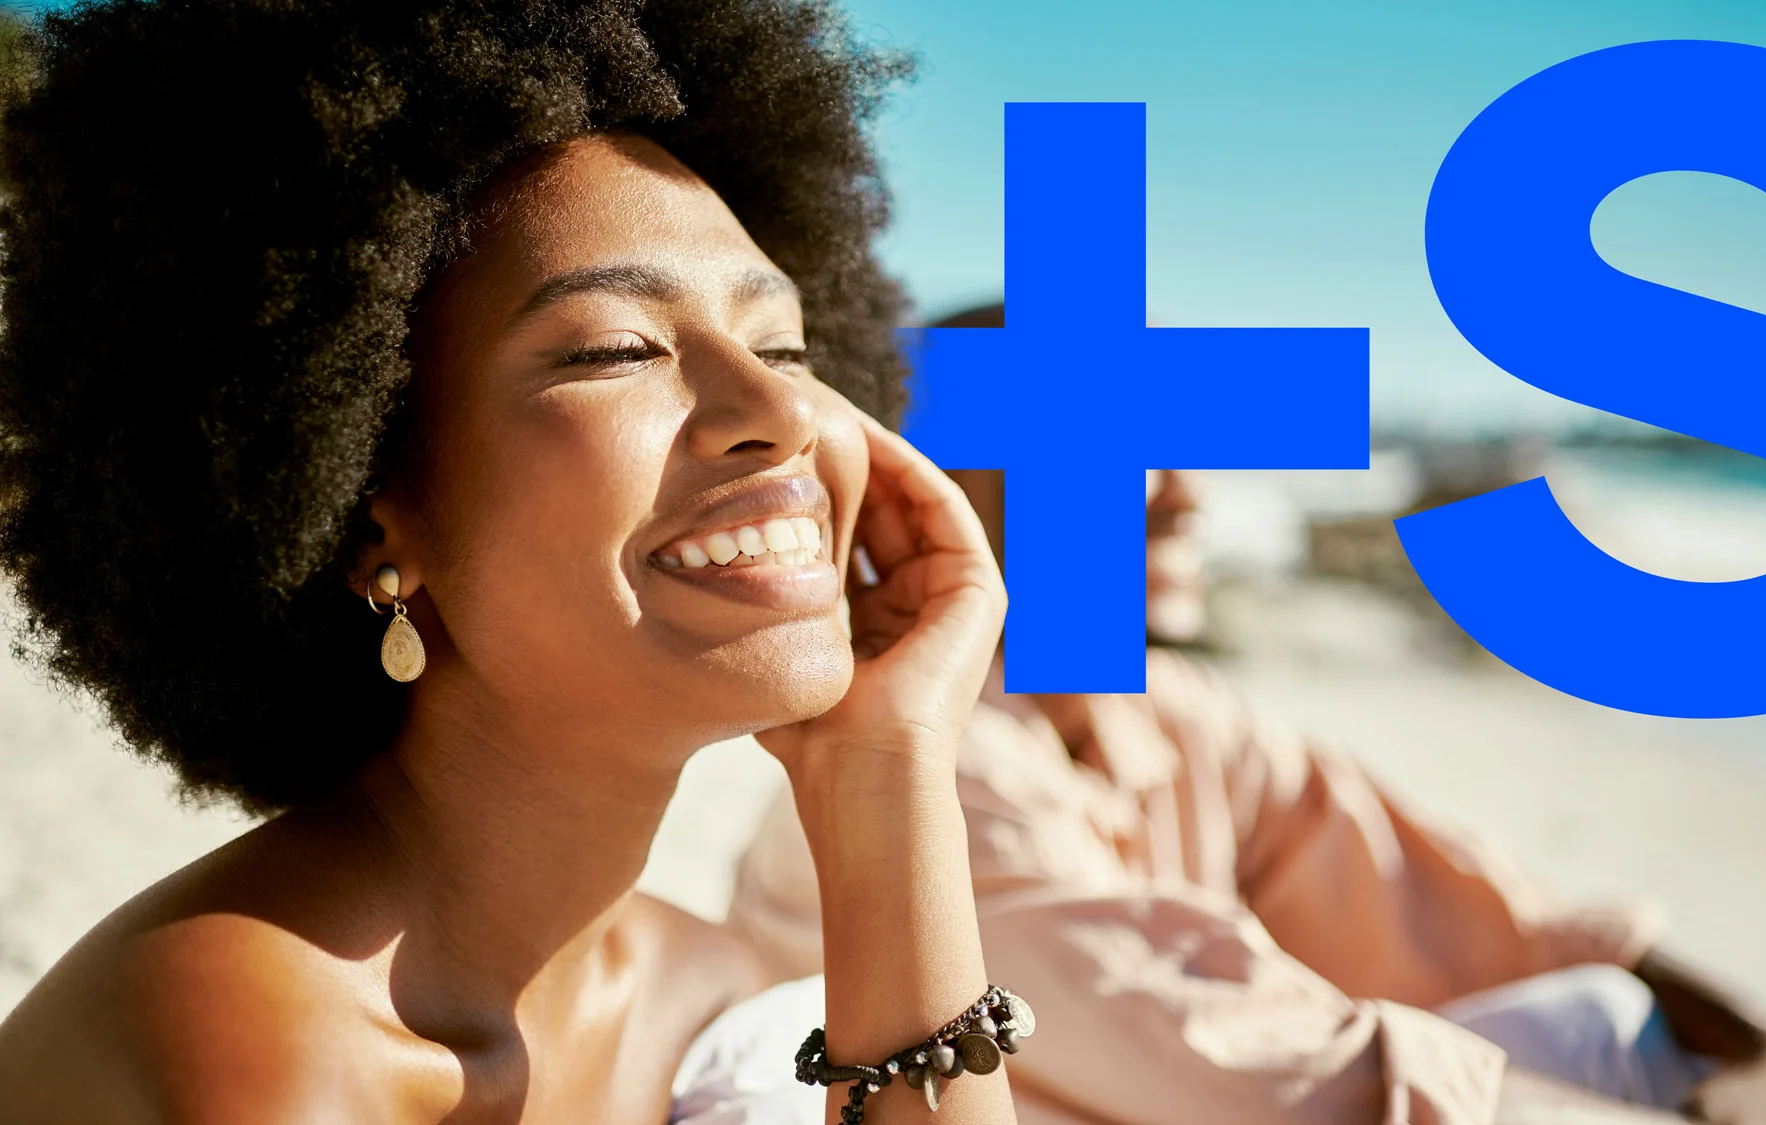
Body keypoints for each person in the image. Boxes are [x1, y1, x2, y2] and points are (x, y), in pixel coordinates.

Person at [0, 4, 1018, 1124]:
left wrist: (884, 771)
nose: (779, 408)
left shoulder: (708, 993)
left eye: (782, 344)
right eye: (613, 350)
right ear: (367, 522)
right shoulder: (238, 1036)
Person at [728, 306, 1766, 1125]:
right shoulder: (929, 762)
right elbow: (1256, 1066)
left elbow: (1456, 900)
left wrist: (1749, 1038)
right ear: (950, 494)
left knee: (1595, 1013)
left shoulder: (1164, 713)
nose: (1183, 490)